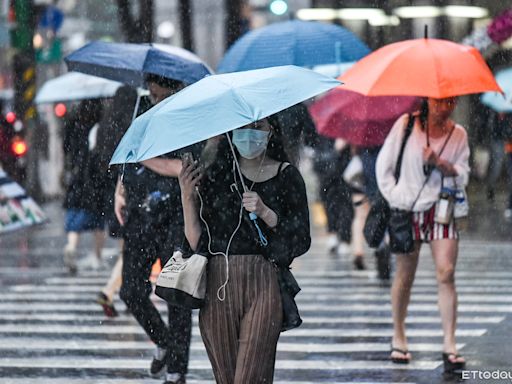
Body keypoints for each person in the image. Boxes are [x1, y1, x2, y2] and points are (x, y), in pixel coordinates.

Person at [179, 118, 311, 384]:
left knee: (251, 377)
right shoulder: (216, 176)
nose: (249, 134)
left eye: (257, 127)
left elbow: (301, 239)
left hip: (264, 283)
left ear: (271, 130)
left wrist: (265, 212)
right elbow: (196, 242)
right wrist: (186, 197)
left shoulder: (287, 176)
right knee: (226, 379)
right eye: (242, 127)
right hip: (218, 283)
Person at [115, 74, 198, 384]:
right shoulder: (142, 110)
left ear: (174, 87)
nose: (154, 97)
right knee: (131, 290)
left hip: (177, 215)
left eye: (160, 93)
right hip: (140, 214)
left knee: (176, 295)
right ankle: (163, 341)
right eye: (151, 92)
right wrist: (119, 190)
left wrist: (147, 156)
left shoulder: (190, 117)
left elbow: (184, 168)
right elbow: (127, 154)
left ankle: (177, 369)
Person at [376, 97, 469, 373]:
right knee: (405, 275)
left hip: (443, 207)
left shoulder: (458, 133)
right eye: (440, 101)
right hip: (409, 210)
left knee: (446, 272)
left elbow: (463, 174)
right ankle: (399, 334)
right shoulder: (406, 125)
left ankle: (450, 343)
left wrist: (441, 163)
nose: (446, 106)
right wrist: (398, 197)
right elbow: (384, 168)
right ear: (429, 99)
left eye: (451, 101)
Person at [62, 99, 105, 274]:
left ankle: (71, 246)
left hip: (78, 176)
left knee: (75, 215)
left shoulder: (74, 123)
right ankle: (97, 256)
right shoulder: (100, 127)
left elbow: (66, 147)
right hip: (95, 178)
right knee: (98, 220)